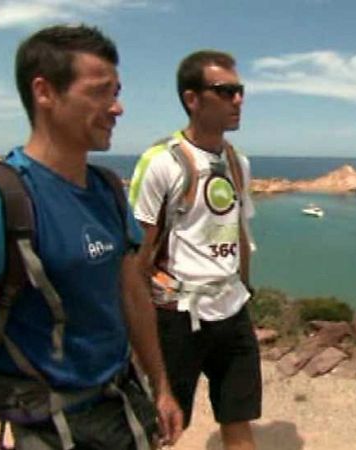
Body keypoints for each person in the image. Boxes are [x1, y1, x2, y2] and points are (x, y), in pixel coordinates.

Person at [0, 24, 182, 450]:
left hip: (122, 408)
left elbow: (131, 293)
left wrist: (161, 385)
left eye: (117, 91)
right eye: (101, 91)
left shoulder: (107, 189)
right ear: (45, 92)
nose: (118, 108)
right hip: (46, 427)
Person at [128, 50, 261, 450]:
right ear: (192, 99)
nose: (238, 100)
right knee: (165, 426)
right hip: (176, 317)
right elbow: (139, 252)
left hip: (231, 310)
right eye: (226, 91)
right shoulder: (161, 162)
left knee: (239, 422)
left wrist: (246, 289)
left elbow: (237, 230)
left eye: (240, 91)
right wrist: (136, 326)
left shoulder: (239, 163)